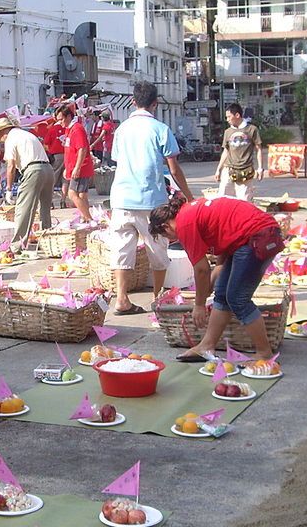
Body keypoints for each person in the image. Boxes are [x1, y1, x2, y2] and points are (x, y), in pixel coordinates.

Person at [149, 195, 284, 365]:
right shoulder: (190, 212)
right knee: (222, 293)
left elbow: (201, 269)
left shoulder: (185, 224)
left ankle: (264, 353)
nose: (171, 240)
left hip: (258, 237)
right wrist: (213, 281)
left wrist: (199, 304)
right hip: (257, 234)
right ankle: (206, 345)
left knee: (238, 299)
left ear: (165, 226)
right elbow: (224, 244)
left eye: (166, 236)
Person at [107, 81, 193, 315]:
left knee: (122, 250)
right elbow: (174, 169)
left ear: (133, 102)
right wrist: (188, 196)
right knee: (158, 250)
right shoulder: (160, 129)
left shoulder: (121, 129)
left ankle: (122, 299)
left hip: (121, 199)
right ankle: (157, 299)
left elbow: (117, 159)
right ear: (155, 103)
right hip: (151, 200)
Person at [0, 115, 55, 246]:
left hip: (33, 170)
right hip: (48, 169)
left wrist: (8, 189)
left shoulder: (11, 139)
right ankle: (47, 241)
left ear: (3, 133)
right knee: (45, 209)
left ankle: (17, 245)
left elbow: (11, 166)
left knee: (24, 208)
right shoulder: (26, 134)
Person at [214, 103, 263, 201]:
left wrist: (260, 168)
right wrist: (218, 169)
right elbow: (226, 151)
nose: (227, 119)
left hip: (245, 171)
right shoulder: (228, 132)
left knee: (244, 201)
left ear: (237, 115)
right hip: (228, 170)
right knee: (222, 199)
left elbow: (259, 149)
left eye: (229, 117)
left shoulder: (252, 129)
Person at [63, 111, 95, 223]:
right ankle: (85, 217)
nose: (60, 122)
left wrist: (77, 167)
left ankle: (89, 218)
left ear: (68, 116)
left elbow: (82, 148)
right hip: (75, 166)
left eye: (61, 119)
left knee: (72, 194)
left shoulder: (77, 129)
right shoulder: (70, 129)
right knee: (82, 195)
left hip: (80, 167)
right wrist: (67, 168)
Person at [43, 106, 69, 207]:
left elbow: (45, 144)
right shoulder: (68, 128)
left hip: (57, 156)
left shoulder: (53, 129)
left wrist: (50, 151)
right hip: (68, 155)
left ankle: (50, 202)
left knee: (52, 179)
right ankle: (63, 201)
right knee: (65, 179)